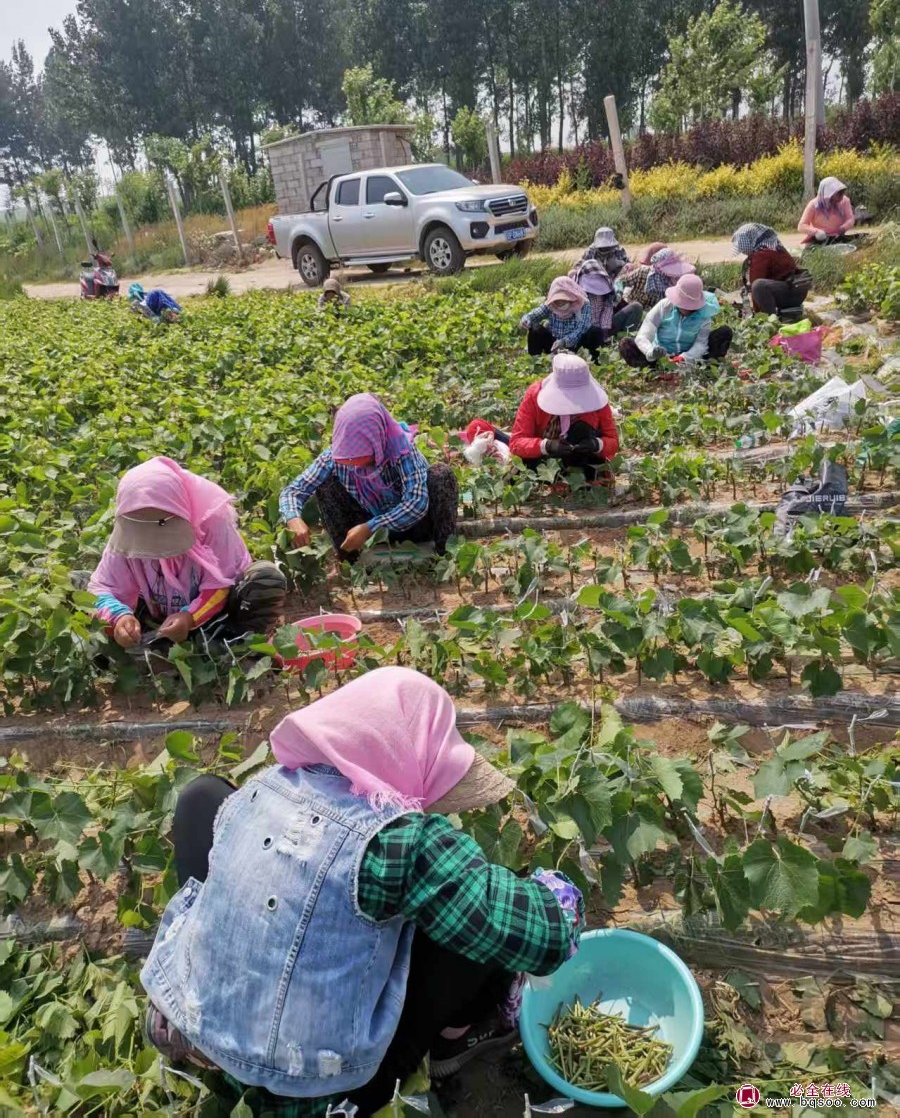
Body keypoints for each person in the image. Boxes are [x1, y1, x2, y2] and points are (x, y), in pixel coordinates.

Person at [141, 668, 585, 1117]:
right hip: (315, 1089)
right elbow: (545, 937)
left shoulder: (257, 792)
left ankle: (189, 1033)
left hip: (195, 1026)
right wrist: (558, 893)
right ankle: (454, 1040)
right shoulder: (400, 844)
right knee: (472, 918)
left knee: (202, 797)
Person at [88, 457, 286, 647]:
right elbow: (104, 587)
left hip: (218, 615)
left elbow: (221, 583)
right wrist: (120, 618)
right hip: (157, 616)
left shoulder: (212, 524)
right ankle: (151, 644)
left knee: (265, 577)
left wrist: (190, 617)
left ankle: (239, 643)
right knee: (80, 587)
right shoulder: (127, 533)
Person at [281, 393, 458, 559]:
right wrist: (293, 519)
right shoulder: (336, 456)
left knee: (441, 475)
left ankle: (443, 555)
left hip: (416, 526)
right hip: (368, 531)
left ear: (376, 439)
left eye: (362, 458)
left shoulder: (402, 450)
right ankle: (350, 560)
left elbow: (416, 503)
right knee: (327, 484)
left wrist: (370, 528)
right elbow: (294, 491)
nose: (355, 465)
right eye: (350, 460)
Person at [509, 352, 619, 482]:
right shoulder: (534, 395)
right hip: (546, 461)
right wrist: (547, 445)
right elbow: (516, 443)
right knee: (519, 474)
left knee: (581, 429)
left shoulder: (597, 398)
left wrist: (597, 444)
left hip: (584, 460)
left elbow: (613, 441)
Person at [619, 273, 732, 369]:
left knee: (725, 332)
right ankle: (655, 368)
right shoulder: (664, 306)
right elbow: (643, 335)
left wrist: (685, 357)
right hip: (660, 357)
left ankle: (704, 368)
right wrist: (650, 351)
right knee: (626, 344)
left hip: (690, 357)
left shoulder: (704, 314)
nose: (686, 308)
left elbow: (701, 343)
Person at [732, 223, 810, 318]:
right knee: (757, 286)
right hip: (797, 290)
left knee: (758, 286)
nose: (743, 252)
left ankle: (770, 318)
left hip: (791, 293)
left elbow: (755, 285)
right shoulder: (775, 247)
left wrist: (756, 315)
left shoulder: (763, 254)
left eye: (743, 249)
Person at [519, 275, 603, 361]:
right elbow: (536, 314)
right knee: (535, 329)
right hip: (554, 344)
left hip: (576, 344)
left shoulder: (583, 304)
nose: (560, 303)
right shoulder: (551, 304)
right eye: (557, 300)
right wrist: (526, 319)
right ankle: (536, 361)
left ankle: (593, 361)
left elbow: (581, 329)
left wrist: (564, 341)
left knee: (595, 332)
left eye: (563, 298)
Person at [570, 259, 642, 344]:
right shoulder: (574, 292)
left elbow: (607, 312)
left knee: (636, 307)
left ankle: (625, 340)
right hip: (583, 333)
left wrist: (604, 333)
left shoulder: (606, 293)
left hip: (604, 328)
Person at [616, 246, 695, 313]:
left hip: (655, 312)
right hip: (633, 308)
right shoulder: (643, 272)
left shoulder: (672, 280)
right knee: (636, 307)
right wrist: (618, 293)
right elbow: (621, 281)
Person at [798, 177, 856, 245]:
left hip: (837, 237)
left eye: (842, 193)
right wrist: (816, 232)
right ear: (828, 194)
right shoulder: (814, 205)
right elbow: (801, 226)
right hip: (819, 238)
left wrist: (844, 228)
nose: (841, 196)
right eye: (839, 193)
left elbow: (850, 218)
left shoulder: (845, 201)